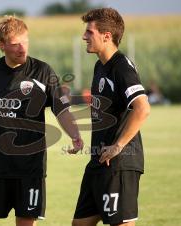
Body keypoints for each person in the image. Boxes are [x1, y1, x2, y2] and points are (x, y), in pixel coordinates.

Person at [0, 16, 83, 226]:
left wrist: (75, 135)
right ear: (2, 45)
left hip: (29, 169)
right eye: (15, 44)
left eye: (25, 42)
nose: (22, 49)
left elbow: (61, 110)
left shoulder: (42, 71)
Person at [70, 8, 150, 226]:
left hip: (119, 164)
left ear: (106, 36)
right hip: (98, 162)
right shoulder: (100, 66)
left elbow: (142, 108)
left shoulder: (122, 67)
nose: (84, 36)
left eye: (89, 32)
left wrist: (118, 146)